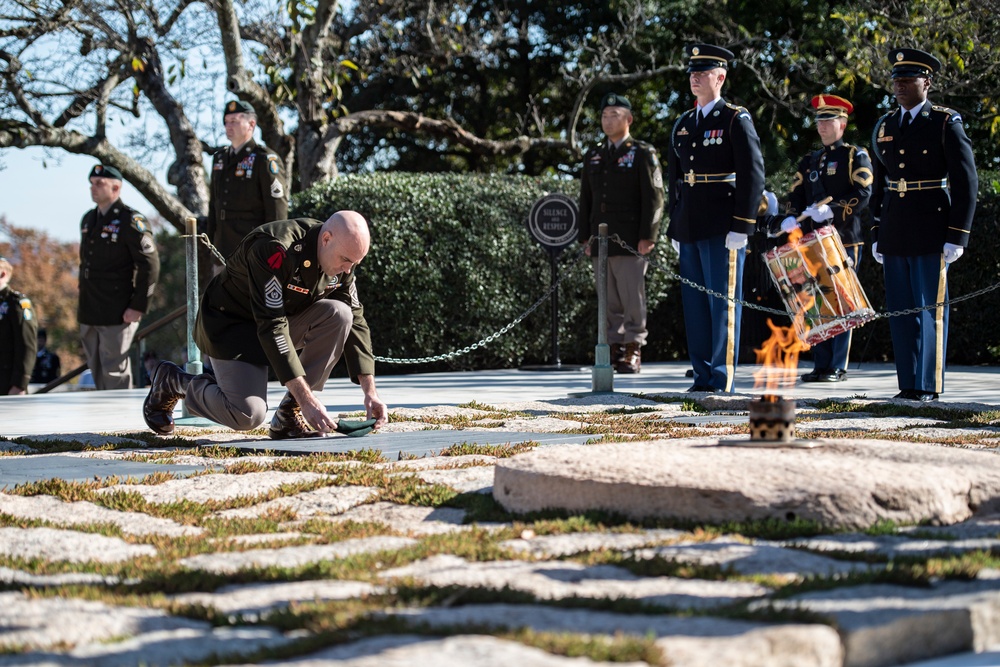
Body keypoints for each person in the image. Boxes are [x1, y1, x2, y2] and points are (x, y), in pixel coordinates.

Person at [143, 211, 388, 439]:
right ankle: (174, 381)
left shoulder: (344, 259)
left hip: (279, 322)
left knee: (340, 314)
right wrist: (307, 399)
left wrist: (370, 393)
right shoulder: (273, 248)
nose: (349, 269)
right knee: (247, 415)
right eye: (346, 260)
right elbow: (272, 325)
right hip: (232, 327)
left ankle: (288, 416)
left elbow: (356, 319)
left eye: (355, 262)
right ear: (326, 239)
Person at [869, 48, 977, 402]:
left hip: (932, 226)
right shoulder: (885, 124)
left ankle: (928, 385)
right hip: (896, 228)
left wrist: (957, 234)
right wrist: (876, 231)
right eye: (896, 80)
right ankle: (908, 383)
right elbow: (878, 183)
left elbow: (966, 181)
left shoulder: (945, 122)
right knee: (901, 311)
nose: (899, 86)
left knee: (930, 310)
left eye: (907, 79)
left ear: (926, 83)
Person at [667, 44, 765, 393]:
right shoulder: (683, 123)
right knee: (695, 308)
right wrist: (673, 224)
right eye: (692, 71)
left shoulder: (735, 118)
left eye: (703, 71)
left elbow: (752, 175)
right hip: (690, 224)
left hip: (723, 225)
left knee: (721, 304)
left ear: (720, 77)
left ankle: (722, 378)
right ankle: (702, 375)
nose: (694, 77)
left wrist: (742, 225)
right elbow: (674, 180)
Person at [781, 94, 873, 383]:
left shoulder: (854, 156)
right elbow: (796, 195)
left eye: (828, 120)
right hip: (811, 241)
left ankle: (837, 365)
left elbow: (863, 193)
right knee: (816, 301)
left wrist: (831, 210)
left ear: (842, 124)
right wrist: (790, 216)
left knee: (842, 300)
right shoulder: (809, 161)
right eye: (819, 120)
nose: (822, 125)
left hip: (843, 238)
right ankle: (821, 363)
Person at [577, 92, 665, 374]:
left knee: (631, 297)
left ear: (628, 119)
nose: (607, 120)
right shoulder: (593, 155)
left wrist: (648, 235)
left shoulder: (642, 152)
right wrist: (584, 236)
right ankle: (612, 348)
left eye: (614, 115)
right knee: (609, 299)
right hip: (600, 240)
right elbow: (585, 199)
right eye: (604, 115)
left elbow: (654, 197)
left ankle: (633, 348)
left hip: (629, 239)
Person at [79, 164, 160, 390]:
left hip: (117, 310)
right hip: (90, 308)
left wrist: (139, 305)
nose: (93, 188)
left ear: (116, 188)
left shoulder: (131, 220)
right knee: (97, 373)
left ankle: (121, 425)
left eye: (99, 184)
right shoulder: (88, 219)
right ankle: (101, 425)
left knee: (115, 375)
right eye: (91, 184)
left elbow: (150, 264)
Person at [205, 100, 288, 260]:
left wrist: (273, 247)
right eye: (226, 122)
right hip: (222, 249)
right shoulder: (220, 159)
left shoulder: (264, 159)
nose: (228, 126)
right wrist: (209, 243)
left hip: (252, 249)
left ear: (251, 124)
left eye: (234, 122)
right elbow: (213, 205)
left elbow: (277, 210)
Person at [0, 257, 37, 395]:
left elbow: (27, 345)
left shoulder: (16, 303)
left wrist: (20, 383)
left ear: (2, 274)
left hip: (7, 384)